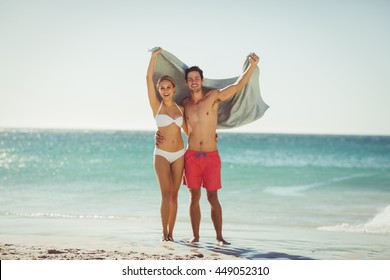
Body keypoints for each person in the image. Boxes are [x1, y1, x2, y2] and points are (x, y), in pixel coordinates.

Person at [158, 52, 260, 245]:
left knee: (213, 196)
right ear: (186, 83)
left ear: (202, 80)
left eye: (197, 78)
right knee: (193, 196)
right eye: (190, 79)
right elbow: (167, 114)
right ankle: (195, 236)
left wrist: (252, 66)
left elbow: (238, 86)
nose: (194, 81)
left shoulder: (213, 97)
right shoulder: (184, 105)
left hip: (212, 156)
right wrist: (159, 134)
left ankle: (219, 236)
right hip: (192, 155)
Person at [146, 48, 188, 241]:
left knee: (175, 195)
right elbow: (147, 79)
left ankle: (172, 232)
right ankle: (164, 234)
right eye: (161, 88)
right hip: (162, 153)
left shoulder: (181, 107)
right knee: (165, 194)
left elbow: (189, 131)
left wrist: (211, 137)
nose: (164, 90)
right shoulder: (157, 106)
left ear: (174, 89)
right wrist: (153, 57)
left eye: (167, 87)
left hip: (179, 153)